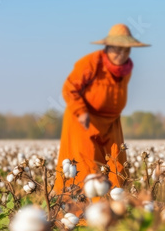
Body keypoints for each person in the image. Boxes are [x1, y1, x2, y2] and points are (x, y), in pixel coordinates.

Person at [54, 24, 150, 193]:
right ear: (107, 48)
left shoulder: (126, 69)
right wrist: (81, 111)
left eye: (126, 50)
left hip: (112, 121)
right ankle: (82, 215)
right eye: (117, 50)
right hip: (84, 120)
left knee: (117, 166)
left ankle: (115, 210)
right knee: (86, 168)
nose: (122, 54)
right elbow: (70, 88)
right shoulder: (91, 62)